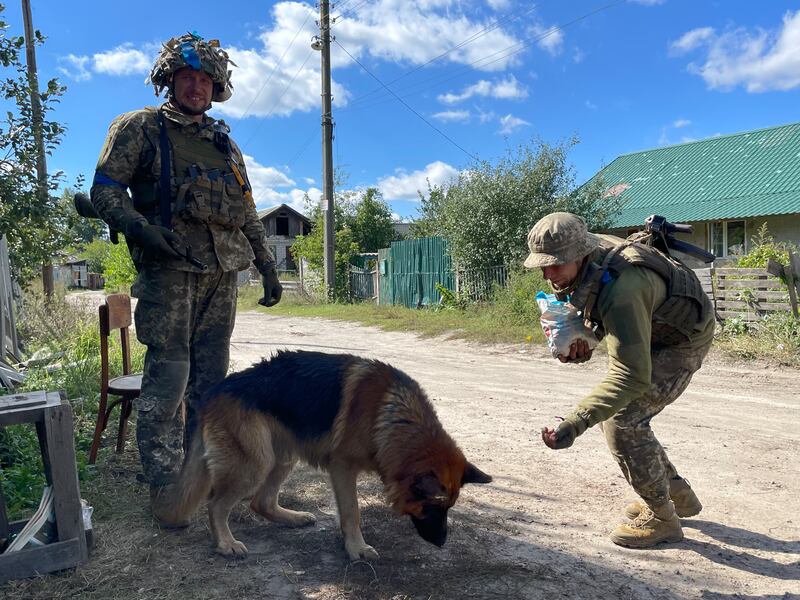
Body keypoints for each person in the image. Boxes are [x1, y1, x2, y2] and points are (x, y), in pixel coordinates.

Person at [90, 32, 282, 521]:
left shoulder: (225, 144)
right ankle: (165, 485)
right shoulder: (140, 128)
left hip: (222, 274)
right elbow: (104, 191)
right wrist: (139, 228)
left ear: (215, 88)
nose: (196, 86)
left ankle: (205, 475)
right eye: (187, 77)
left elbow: (248, 212)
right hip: (170, 272)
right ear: (169, 80)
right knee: (169, 379)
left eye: (204, 79)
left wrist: (266, 265)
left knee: (212, 385)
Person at [526, 212, 714, 548]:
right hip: (655, 326)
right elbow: (600, 310)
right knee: (618, 415)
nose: (547, 273)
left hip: (682, 341)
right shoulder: (588, 249)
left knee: (621, 420)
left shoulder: (625, 290)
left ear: (579, 253)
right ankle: (676, 493)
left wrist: (574, 423)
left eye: (556, 264)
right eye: (543, 264)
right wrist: (583, 339)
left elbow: (631, 376)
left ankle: (662, 518)